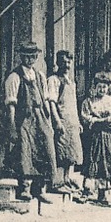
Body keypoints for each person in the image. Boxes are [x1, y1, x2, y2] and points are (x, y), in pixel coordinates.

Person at [2, 41, 57, 207]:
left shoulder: (40, 76)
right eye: (27, 56)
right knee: (25, 151)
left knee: (45, 149)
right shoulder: (15, 77)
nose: (30, 59)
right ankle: (25, 187)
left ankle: (41, 189)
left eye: (33, 56)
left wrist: (49, 121)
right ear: (21, 56)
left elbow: (46, 99)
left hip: (40, 117)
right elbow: (11, 104)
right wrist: (12, 125)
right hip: (24, 119)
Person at [78, 72, 111, 204]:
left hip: (110, 137)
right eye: (99, 87)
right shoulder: (89, 102)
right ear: (95, 87)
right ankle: (87, 191)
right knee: (94, 162)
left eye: (104, 87)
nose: (102, 90)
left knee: (107, 164)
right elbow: (86, 118)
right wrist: (101, 121)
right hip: (96, 137)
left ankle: (103, 193)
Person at [46, 50, 84, 194]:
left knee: (71, 153)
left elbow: (73, 104)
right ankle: (57, 182)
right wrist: (56, 121)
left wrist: (78, 122)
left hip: (71, 121)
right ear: (57, 63)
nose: (66, 65)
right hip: (61, 121)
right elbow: (52, 103)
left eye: (68, 62)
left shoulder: (71, 81)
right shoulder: (54, 80)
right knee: (60, 151)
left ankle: (67, 179)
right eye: (63, 62)